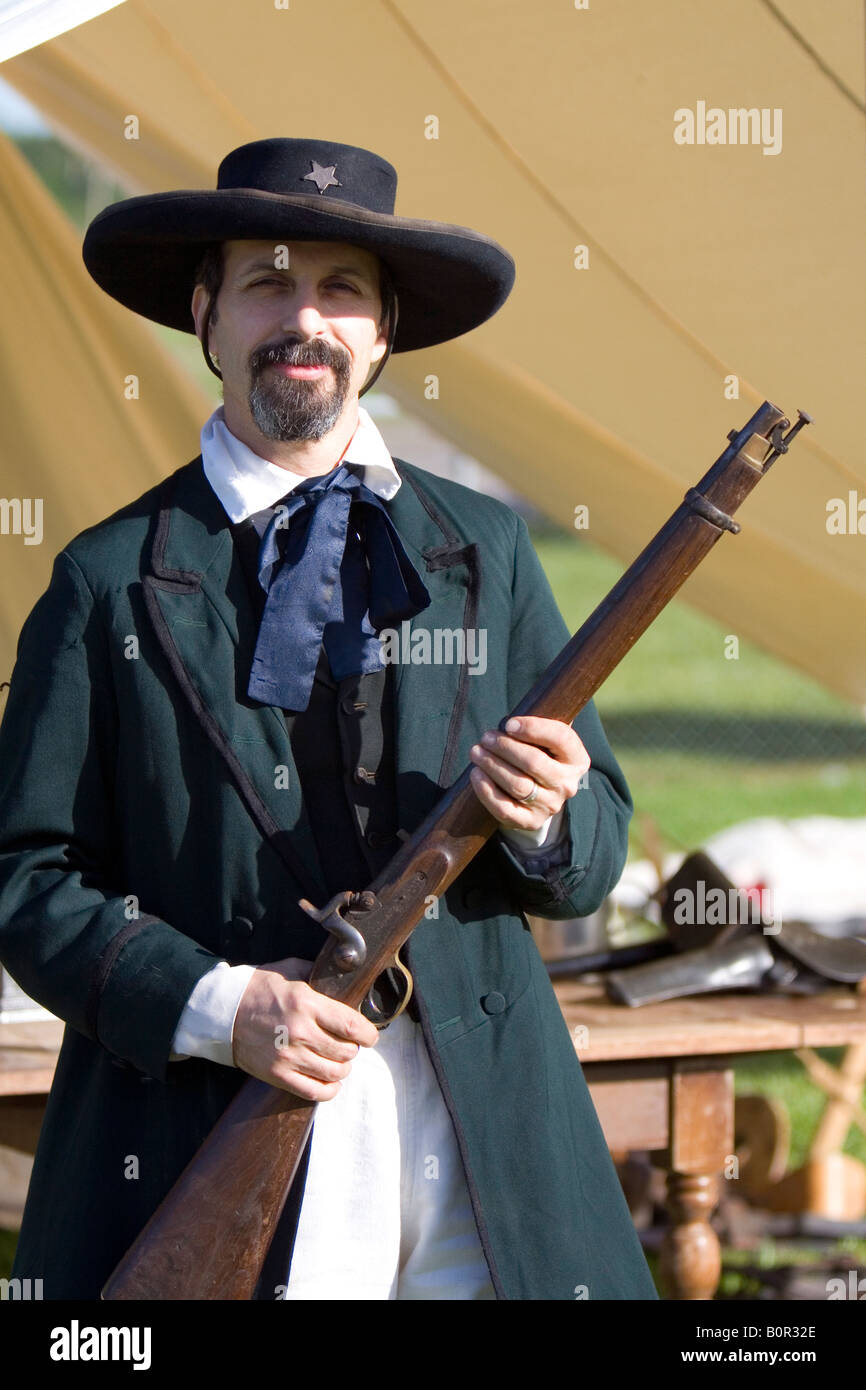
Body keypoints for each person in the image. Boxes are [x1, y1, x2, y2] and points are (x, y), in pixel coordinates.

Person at [0, 138, 658, 1300]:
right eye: (267, 281)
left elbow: (591, 846)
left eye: (340, 289)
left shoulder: (484, 549)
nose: (304, 318)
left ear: (382, 331)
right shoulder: (106, 580)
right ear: (206, 317)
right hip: (215, 1114)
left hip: (481, 1127)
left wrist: (546, 818)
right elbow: (25, 878)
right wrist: (220, 1008)